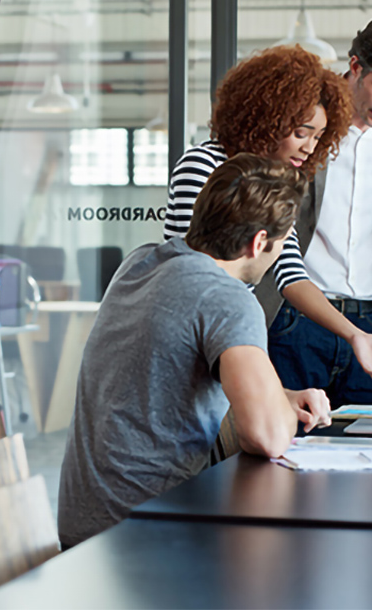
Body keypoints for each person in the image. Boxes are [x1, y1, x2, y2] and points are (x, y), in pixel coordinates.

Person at [58, 155, 331, 548]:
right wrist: (281, 411)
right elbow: (267, 437)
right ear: (259, 243)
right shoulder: (227, 297)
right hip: (147, 535)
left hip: (84, 527)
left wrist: (281, 396)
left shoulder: (140, 264)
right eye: (284, 241)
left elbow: (165, 374)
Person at [165, 45, 372, 398]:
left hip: (230, 337)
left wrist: (356, 335)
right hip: (194, 340)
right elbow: (191, 274)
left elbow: (290, 273)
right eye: (302, 132)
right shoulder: (203, 164)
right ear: (267, 118)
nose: (309, 147)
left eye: (319, 136)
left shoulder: (280, 184)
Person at [255, 16, 372, 408]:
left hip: (369, 316)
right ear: (355, 67)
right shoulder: (307, 114)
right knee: (288, 452)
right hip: (294, 315)